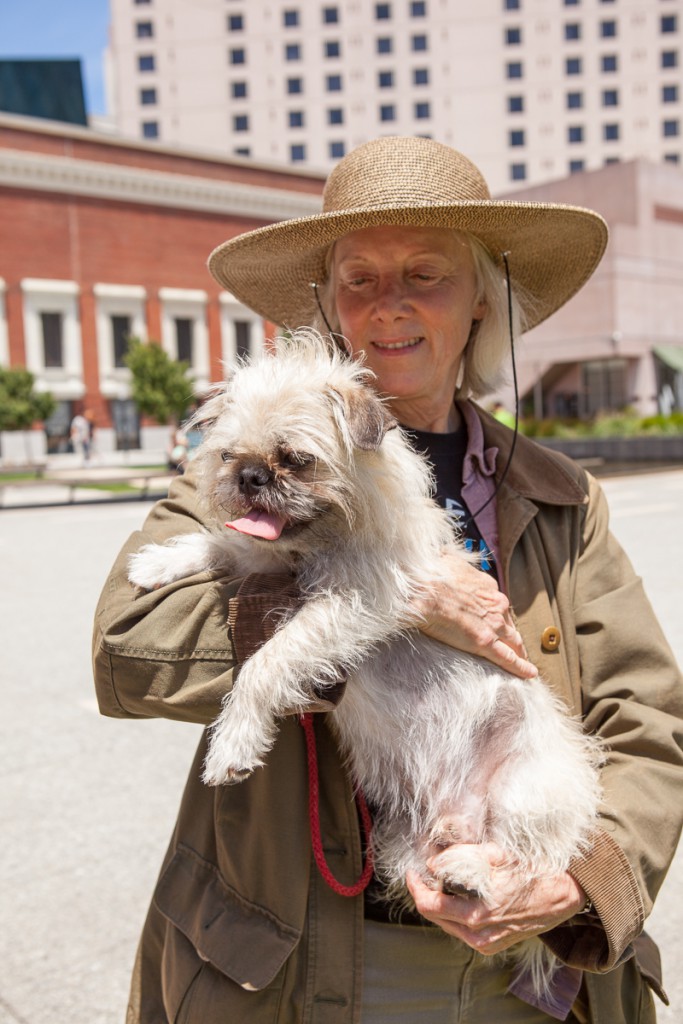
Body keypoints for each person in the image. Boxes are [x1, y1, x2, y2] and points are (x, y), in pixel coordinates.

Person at [92, 137, 682, 1023]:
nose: (389, 304)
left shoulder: (561, 500)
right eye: (358, 277)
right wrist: (399, 600)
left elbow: (644, 720)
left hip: (535, 969)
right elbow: (123, 651)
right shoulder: (246, 476)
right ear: (327, 303)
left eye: (425, 273)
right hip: (305, 966)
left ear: (483, 297)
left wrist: (572, 883)